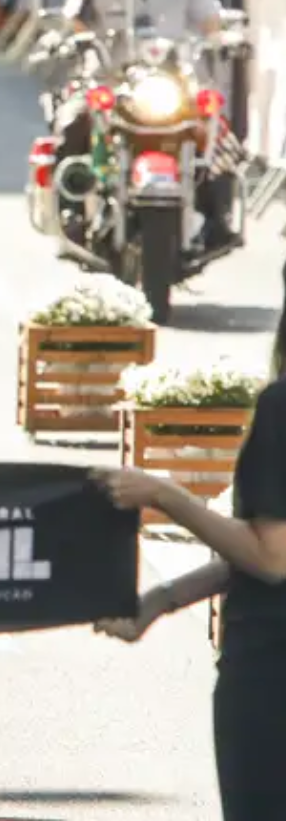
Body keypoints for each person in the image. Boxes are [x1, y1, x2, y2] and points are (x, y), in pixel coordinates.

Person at [93, 271, 286, 821]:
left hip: (273, 673)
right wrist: (162, 600)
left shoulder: (282, 407)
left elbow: (271, 558)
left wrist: (165, 494)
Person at [46, 0, 244, 252]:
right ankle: (72, 211)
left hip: (173, 86)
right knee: (72, 122)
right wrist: (69, 40)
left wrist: (227, 39)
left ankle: (219, 219)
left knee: (216, 134)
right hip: (112, 84)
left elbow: (213, 22)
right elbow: (69, 19)